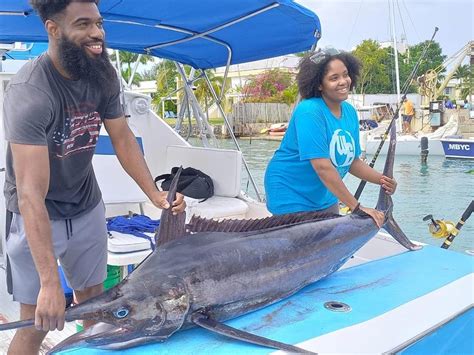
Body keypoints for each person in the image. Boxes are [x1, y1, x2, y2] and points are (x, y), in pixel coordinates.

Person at [3, 1, 186, 353]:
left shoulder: (102, 73)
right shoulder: (31, 92)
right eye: (83, 24)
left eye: (99, 23)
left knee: (99, 306)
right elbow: (30, 193)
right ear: (53, 29)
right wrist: (49, 283)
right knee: (38, 320)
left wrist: (155, 195)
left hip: (86, 206)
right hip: (37, 214)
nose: (97, 34)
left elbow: (122, 138)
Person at [264, 49, 397, 227]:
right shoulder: (309, 111)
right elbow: (322, 167)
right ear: (319, 84)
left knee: (332, 246)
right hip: (291, 192)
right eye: (334, 78)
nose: (343, 82)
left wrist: (382, 180)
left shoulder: (349, 111)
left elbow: (351, 161)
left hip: (324, 194)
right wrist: (356, 208)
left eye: (345, 75)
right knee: (306, 249)